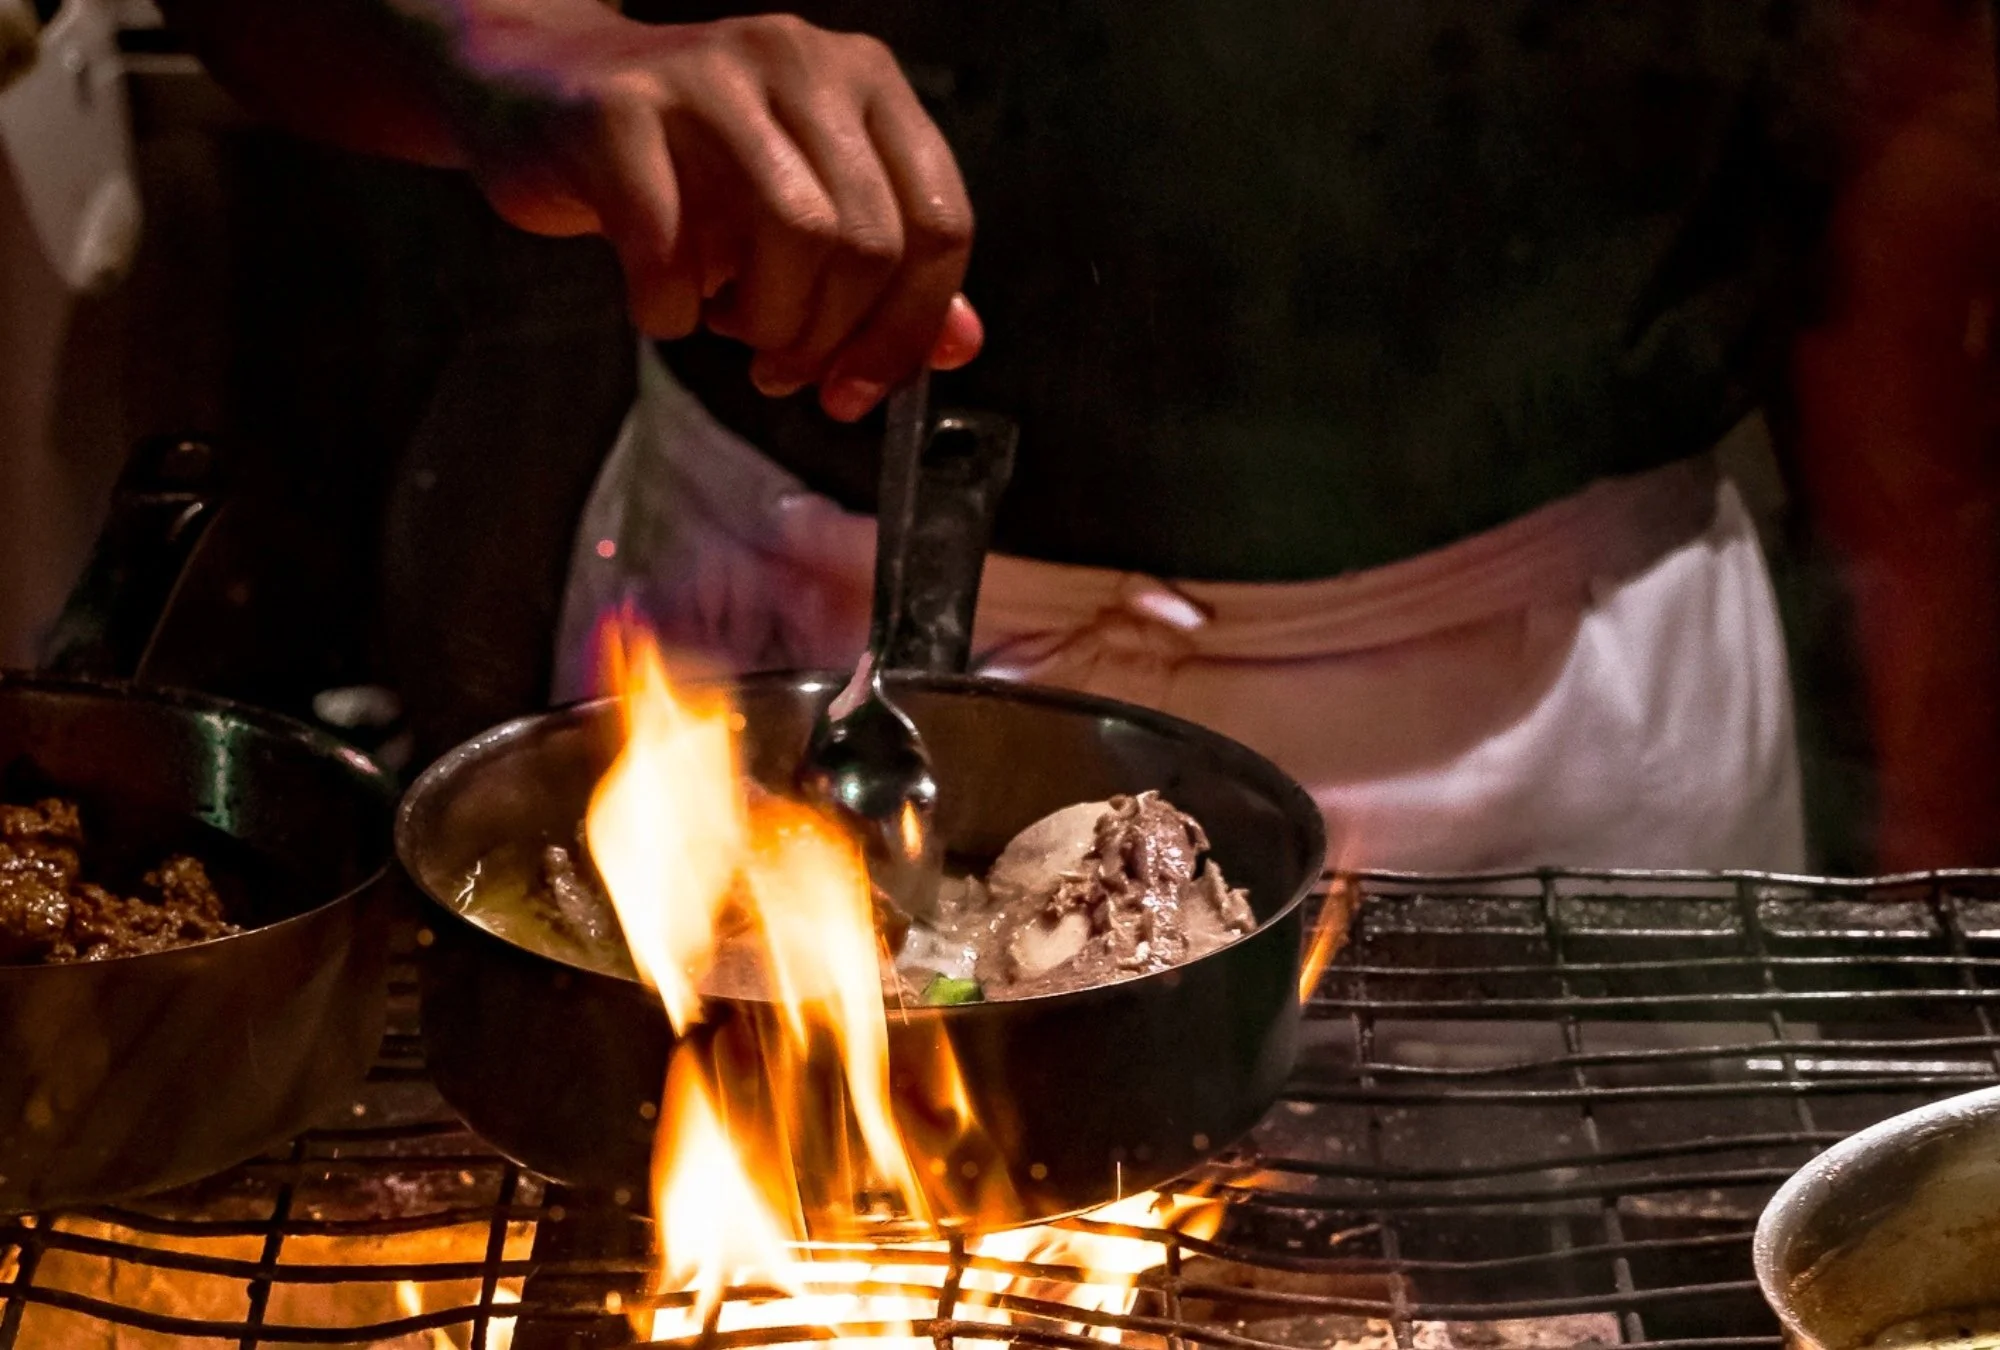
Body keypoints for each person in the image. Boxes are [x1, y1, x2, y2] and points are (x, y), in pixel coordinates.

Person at [164, 0, 2000, 873]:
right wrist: (522, 41)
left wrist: (1945, 883)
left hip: (1562, 742)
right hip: (796, 688)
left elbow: (1916, 161)